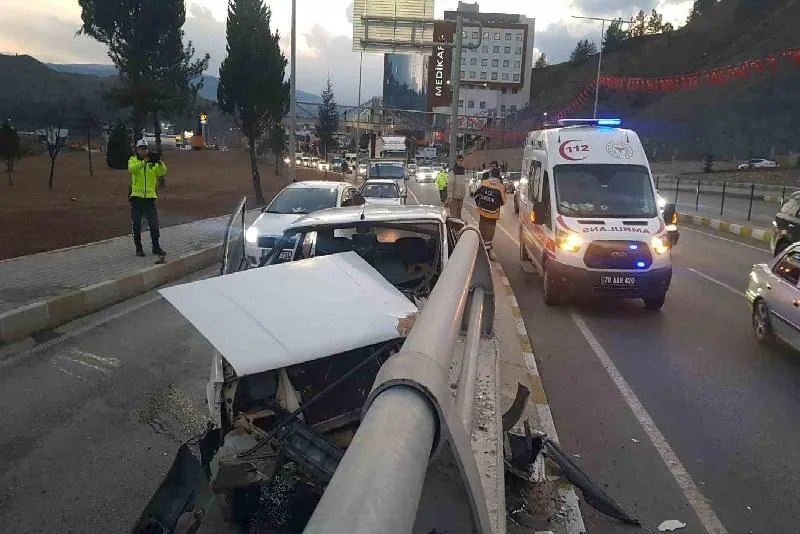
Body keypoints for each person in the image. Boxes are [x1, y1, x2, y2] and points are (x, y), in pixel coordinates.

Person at [128, 139, 167, 260]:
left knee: (154, 224)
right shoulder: (133, 160)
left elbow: (162, 171)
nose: (144, 151)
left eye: (146, 149)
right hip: (137, 198)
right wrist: (144, 162)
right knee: (137, 225)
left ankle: (156, 246)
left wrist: (159, 162)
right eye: (142, 149)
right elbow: (132, 169)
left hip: (150, 198)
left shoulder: (152, 163)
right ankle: (139, 248)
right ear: (137, 150)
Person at [472, 160, 506, 259]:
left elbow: (475, 194)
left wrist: (480, 204)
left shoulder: (484, 183)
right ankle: (488, 250)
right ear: (498, 176)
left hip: (482, 211)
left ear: (490, 174)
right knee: (490, 232)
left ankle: (481, 248)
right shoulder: (500, 187)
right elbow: (503, 201)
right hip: (493, 213)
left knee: (482, 229)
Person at [447, 154, 467, 219]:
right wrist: (450, 197)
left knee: (459, 215)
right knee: (453, 215)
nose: (461, 162)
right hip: (454, 198)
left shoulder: (463, 170)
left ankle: (458, 228)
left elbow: (463, 184)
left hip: (461, 197)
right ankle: (453, 228)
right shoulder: (452, 171)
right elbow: (450, 184)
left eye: (462, 161)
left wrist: (464, 195)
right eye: (459, 161)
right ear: (456, 161)